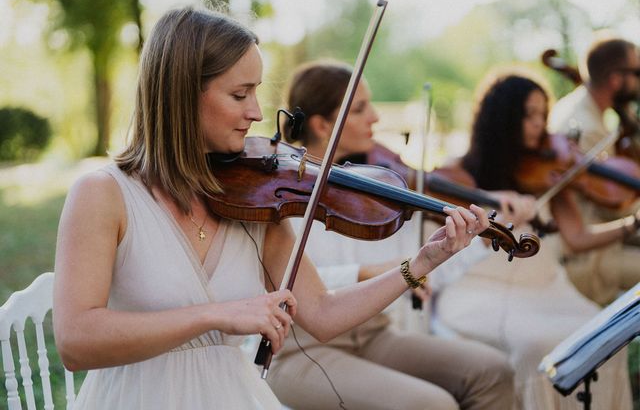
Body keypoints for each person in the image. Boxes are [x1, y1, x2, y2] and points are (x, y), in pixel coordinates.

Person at [53, 6, 490, 410]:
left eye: (257, 93)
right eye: (240, 95)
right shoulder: (103, 193)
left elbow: (322, 314)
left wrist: (422, 261)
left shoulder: (253, 198)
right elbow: (76, 341)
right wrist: (218, 314)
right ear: (183, 94)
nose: (257, 112)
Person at [266, 60, 516, 410]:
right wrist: (365, 272)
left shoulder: (369, 189)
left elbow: (423, 265)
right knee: (432, 404)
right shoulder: (277, 196)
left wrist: (483, 236)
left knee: (493, 370)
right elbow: (285, 284)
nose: (376, 118)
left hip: (372, 334)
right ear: (323, 125)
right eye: (360, 109)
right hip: (304, 348)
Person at [432, 71, 633, 410]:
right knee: (535, 344)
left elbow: (578, 238)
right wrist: (489, 198)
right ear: (503, 118)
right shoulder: (462, 171)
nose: (540, 124)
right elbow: (440, 205)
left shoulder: (550, 171)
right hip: (477, 287)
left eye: (543, 114)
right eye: (529, 115)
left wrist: (631, 224)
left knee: (601, 334)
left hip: (545, 285)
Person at [548, 37, 640, 305]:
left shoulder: (580, 108)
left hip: (605, 240)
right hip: (590, 257)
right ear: (615, 79)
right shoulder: (584, 128)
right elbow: (613, 206)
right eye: (636, 73)